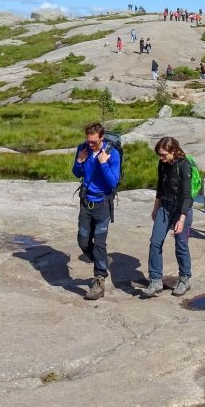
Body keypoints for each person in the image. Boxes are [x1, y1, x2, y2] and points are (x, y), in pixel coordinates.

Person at [71, 123, 121, 301]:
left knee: (99, 243)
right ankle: (102, 261)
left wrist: (104, 164)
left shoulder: (112, 154)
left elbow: (113, 183)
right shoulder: (82, 149)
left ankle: (99, 281)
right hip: (86, 201)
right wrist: (79, 161)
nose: (90, 145)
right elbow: (76, 173)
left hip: (102, 204)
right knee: (83, 240)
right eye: (88, 141)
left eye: (93, 142)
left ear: (101, 138)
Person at [140, 137, 193, 298]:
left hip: (181, 209)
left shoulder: (184, 165)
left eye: (163, 155)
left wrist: (182, 218)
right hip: (165, 206)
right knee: (155, 241)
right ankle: (155, 280)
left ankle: (185, 278)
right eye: (159, 155)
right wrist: (156, 207)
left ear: (173, 151)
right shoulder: (162, 164)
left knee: (181, 244)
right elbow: (160, 186)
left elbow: (186, 194)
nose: (161, 158)